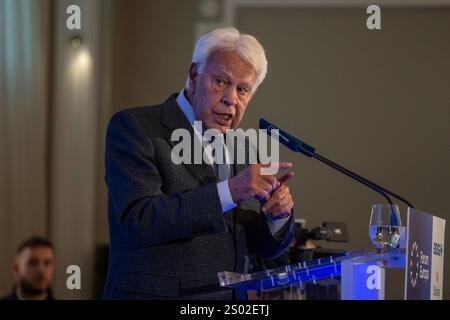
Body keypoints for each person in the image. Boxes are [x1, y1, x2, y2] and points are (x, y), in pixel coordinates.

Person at [103, 27, 295, 300]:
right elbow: (139, 221)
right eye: (220, 82)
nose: (231, 98)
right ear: (194, 76)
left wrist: (277, 217)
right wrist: (230, 191)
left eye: (243, 89)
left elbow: (251, 244)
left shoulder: (243, 148)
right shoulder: (135, 128)